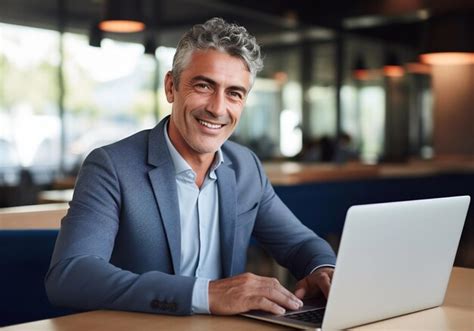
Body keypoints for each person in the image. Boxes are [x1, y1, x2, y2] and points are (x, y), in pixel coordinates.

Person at [45, 17, 336, 317]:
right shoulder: (111, 167)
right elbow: (70, 275)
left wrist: (324, 270)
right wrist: (205, 294)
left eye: (234, 93)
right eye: (203, 85)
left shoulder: (246, 167)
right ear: (171, 87)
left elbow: (299, 242)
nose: (218, 108)